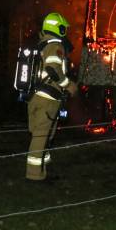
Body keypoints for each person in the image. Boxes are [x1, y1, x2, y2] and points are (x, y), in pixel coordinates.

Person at [26, 12, 77, 182]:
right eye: (64, 28)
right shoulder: (55, 45)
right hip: (47, 98)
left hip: (38, 96)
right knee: (41, 136)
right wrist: (68, 85)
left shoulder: (43, 44)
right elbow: (53, 69)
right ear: (58, 28)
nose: (66, 32)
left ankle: (42, 170)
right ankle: (34, 175)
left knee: (42, 135)